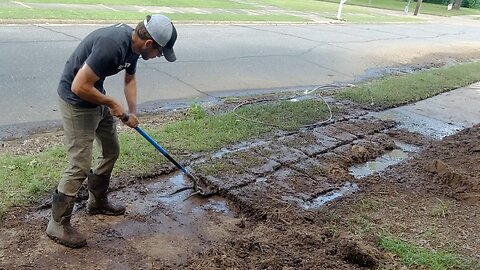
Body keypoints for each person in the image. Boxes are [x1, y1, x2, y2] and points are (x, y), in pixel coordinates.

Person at [46, 14, 177, 248]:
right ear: (149, 44)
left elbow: (129, 79)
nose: (158, 56)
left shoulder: (134, 47)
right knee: (79, 164)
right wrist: (113, 104)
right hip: (76, 100)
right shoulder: (112, 45)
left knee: (111, 150)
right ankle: (58, 223)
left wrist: (132, 111)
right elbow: (78, 86)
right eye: (159, 52)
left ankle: (97, 202)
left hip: (96, 97)